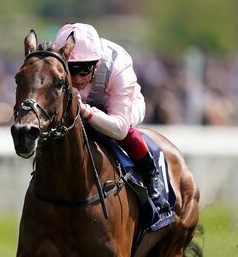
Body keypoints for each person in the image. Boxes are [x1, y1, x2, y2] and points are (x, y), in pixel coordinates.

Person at [54, 23, 166, 204]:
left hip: (123, 107)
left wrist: (85, 110)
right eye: (71, 70)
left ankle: (150, 173)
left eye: (84, 70)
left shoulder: (117, 65)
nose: (78, 79)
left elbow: (120, 128)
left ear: (96, 63)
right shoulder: (54, 64)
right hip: (82, 106)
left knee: (123, 131)